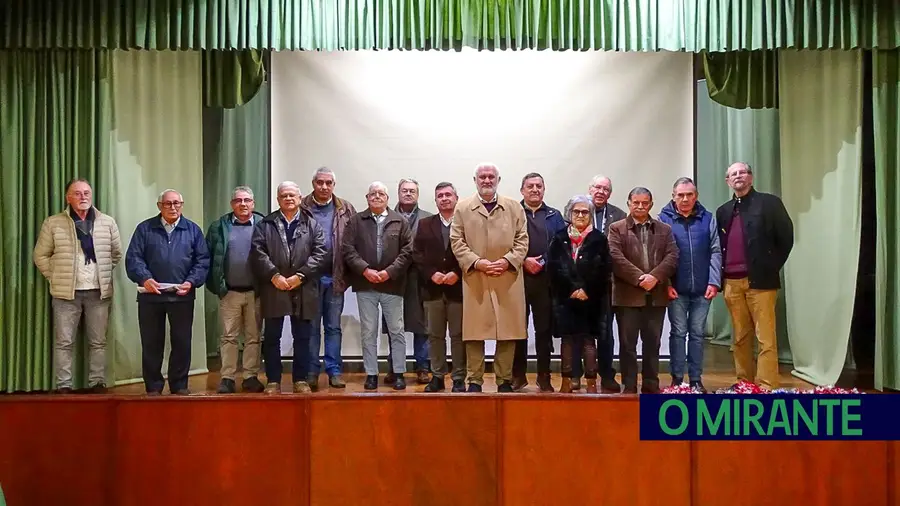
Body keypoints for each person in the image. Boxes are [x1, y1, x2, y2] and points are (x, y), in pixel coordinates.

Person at [33, 178, 123, 393]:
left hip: (98, 293)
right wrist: (54, 276)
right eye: (78, 193)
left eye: (86, 193)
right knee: (64, 342)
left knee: (98, 342)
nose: (83, 197)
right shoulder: (53, 223)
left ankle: (97, 382)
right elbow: (40, 255)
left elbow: (116, 253)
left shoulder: (107, 222)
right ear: (68, 198)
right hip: (66, 293)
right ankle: (64, 385)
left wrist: (100, 273)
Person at [450, 163, 528, 393]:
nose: (486, 180)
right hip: (476, 277)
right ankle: (474, 380)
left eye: (491, 176)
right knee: (475, 332)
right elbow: (457, 241)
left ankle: (504, 380)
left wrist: (507, 261)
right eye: (482, 177)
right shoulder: (462, 208)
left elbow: (523, 240)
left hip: (508, 277)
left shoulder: (514, 207)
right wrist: (477, 262)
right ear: (475, 180)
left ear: (498, 179)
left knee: (508, 331)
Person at [716, 162, 794, 390]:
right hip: (731, 283)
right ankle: (744, 383)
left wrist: (769, 266)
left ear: (751, 177)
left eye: (742, 172)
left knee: (765, 338)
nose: (738, 176)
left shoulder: (770, 203)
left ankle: (767, 386)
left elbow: (786, 238)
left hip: (761, 282)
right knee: (740, 338)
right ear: (727, 181)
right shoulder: (723, 211)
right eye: (733, 174)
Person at [126, 189, 210, 395]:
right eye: (168, 204)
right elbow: (134, 258)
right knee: (151, 343)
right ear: (159, 206)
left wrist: (191, 282)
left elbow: (202, 261)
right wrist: (145, 278)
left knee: (182, 342)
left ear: (182, 205)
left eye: (177, 203)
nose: (173, 207)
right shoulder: (145, 229)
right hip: (150, 297)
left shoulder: (193, 230)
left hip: (182, 296)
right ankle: (153, 386)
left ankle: (179, 385)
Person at [251, 181, 327, 394]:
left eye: (292, 195)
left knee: (303, 336)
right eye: (284, 195)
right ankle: (273, 380)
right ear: (278, 199)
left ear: (300, 198)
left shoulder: (312, 224)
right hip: (274, 286)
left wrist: (301, 275)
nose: (288, 199)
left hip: (303, 287)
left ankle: (300, 379)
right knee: (272, 337)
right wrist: (274, 275)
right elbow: (258, 252)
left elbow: (320, 253)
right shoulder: (266, 224)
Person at [343, 181, 414, 390]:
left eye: (381, 194)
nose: (376, 197)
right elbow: (348, 249)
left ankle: (399, 372)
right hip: (366, 285)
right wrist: (365, 270)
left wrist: (388, 272)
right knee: (368, 331)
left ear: (387, 198)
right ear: (367, 198)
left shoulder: (399, 221)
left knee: (397, 330)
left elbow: (407, 251)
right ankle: (371, 374)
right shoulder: (356, 221)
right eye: (372, 194)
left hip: (393, 285)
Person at [607, 187, 678, 394]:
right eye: (636, 202)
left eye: (645, 203)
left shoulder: (664, 229)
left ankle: (650, 384)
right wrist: (640, 279)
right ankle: (629, 385)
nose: (640, 206)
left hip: (656, 297)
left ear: (651, 204)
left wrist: (655, 277)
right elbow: (615, 257)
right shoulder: (616, 228)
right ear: (628, 203)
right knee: (628, 346)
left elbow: (672, 256)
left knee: (652, 344)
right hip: (627, 296)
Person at [658, 177, 721, 393]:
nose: (685, 199)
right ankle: (677, 379)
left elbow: (715, 250)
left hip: (703, 289)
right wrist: (665, 283)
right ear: (673, 196)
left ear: (696, 196)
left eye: (689, 195)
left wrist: (714, 281)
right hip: (675, 289)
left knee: (696, 334)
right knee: (678, 333)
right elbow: (659, 255)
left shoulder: (708, 218)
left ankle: (695, 379)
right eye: (681, 195)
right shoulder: (663, 219)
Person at [547, 195, 613, 393]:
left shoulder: (599, 239)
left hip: (591, 300)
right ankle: (567, 381)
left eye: (585, 212)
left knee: (588, 341)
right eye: (577, 211)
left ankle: (591, 382)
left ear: (591, 215)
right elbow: (554, 268)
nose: (581, 215)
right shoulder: (559, 237)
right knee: (567, 340)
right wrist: (572, 289)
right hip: (565, 299)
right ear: (570, 213)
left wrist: (586, 290)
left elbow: (603, 269)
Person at [204, 186, 266, 394]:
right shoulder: (218, 227)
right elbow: (208, 258)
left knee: (253, 336)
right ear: (232, 204)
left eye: (247, 200)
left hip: (255, 293)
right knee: (228, 336)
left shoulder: (263, 225)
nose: (243, 204)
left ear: (253, 204)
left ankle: (250, 376)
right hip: (229, 292)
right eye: (238, 200)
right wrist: (217, 287)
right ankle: (227, 377)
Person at [512, 172, 567, 392]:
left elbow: (562, 245)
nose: (535, 190)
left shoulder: (554, 215)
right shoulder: (512, 212)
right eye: (530, 186)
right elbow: (505, 241)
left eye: (539, 186)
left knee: (544, 330)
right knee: (518, 330)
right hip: (517, 279)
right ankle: (518, 375)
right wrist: (523, 260)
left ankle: (544, 376)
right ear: (522, 190)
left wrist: (542, 261)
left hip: (546, 281)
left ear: (544, 189)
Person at [302, 166, 356, 390]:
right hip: (308, 279)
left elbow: (354, 242)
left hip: (335, 278)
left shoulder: (345, 208)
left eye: (328, 183)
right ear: (313, 183)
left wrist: (349, 276)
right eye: (320, 182)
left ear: (334, 185)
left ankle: (334, 371)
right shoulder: (301, 206)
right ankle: (311, 372)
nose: (324, 187)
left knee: (333, 327)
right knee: (311, 327)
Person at [414, 182, 466, 392]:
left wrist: (458, 273)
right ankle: (437, 376)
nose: (444, 198)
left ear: (456, 198)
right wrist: (430, 274)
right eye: (440, 196)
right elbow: (417, 254)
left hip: (458, 289)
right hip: (433, 290)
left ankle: (459, 377)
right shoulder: (425, 224)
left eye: (448, 195)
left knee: (458, 335)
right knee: (435, 336)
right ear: (435, 201)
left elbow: (472, 251)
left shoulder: (465, 223)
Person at [384, 178, 432, 385]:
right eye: (404, 190)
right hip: (393, 278)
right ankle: (395, 368)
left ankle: (423, 366)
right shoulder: (385, 218)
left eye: (412, 191)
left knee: (422, 325)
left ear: (418, 194)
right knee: (394, 326)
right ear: (398, 193)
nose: (408, 194)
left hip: (419, 279)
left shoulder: (428, 219)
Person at [581, 174, 627, 393]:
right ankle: (587, 373)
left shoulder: (619, 215)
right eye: (597, 187)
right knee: (584, 331)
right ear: (590, 189)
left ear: (610, 193)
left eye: (605, 189)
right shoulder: (577, 211)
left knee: (606, 331)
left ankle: (607, 374)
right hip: (583, 281)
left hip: (608, 283)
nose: (600, 192)